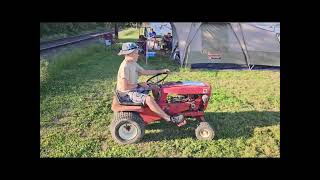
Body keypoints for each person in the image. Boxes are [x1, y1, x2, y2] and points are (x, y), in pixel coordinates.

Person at [116, 42, 184, 123]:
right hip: (126, 94)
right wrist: (139, 85)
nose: (138, 55)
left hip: (132, 88)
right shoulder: (125, 67)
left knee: (155, 87)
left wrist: (161, 71)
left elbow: (144, 71)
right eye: (136, 53)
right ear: (130, 54)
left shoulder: (132, 63)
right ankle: (168, 118)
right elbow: (124, 87)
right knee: (148, 99)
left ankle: (160, 108)